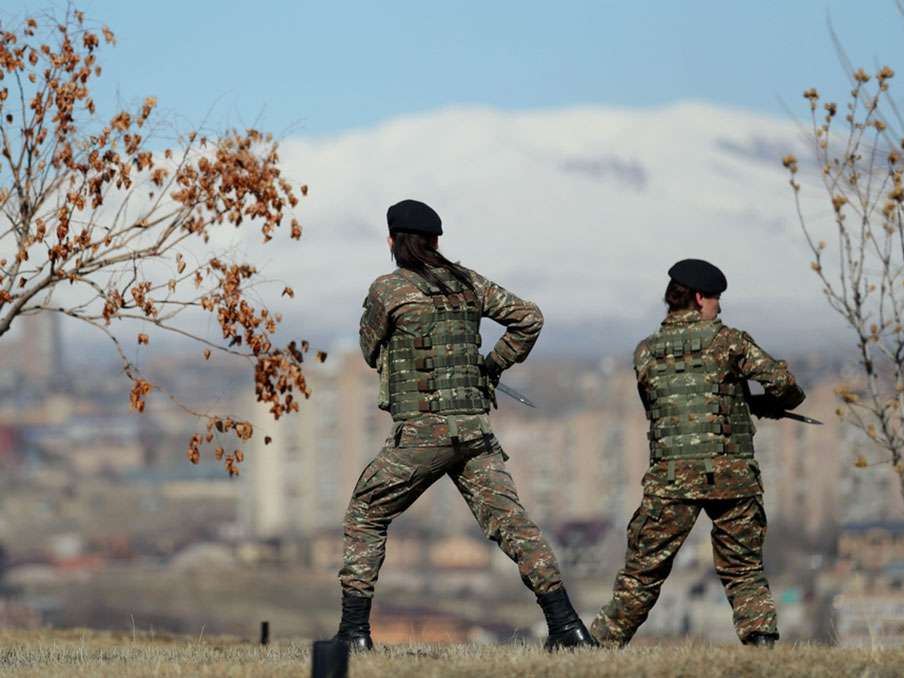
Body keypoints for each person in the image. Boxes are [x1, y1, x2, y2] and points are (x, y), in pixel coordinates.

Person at [333, 199, 595, 651]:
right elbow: (528, 318)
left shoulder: (389, 290)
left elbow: (370, 351)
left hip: (419, 437)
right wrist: (491, 366)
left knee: (366, 515)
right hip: (474, 434)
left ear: (394, 242)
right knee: (514, 524)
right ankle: (566, 625)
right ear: (435, 241)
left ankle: (354, 634)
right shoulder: (469, 283)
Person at [590, 258, 806, 648]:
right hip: (732, 477)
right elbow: (786, 385)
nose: (719, 307)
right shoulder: (729, 341)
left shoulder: (645, 352)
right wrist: (761, 402)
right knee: (744, 571)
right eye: (716, 299)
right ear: (700, 297)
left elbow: (660, 405)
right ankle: (762, 651)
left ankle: (597, 650)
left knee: (641, 575)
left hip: (670, 479)